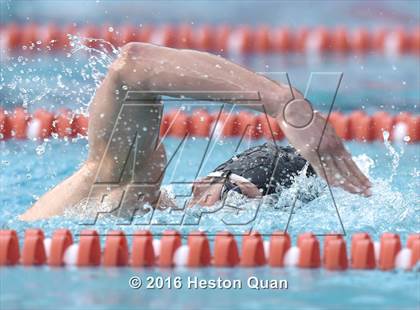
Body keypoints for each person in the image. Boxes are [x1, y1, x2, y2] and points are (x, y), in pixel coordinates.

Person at [19, 42, 372, 221]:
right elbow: (131, 64)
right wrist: (282, 101)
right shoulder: (133, 181)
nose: (198, 186)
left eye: (223, 185)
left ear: (251, 196)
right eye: (210, 179)